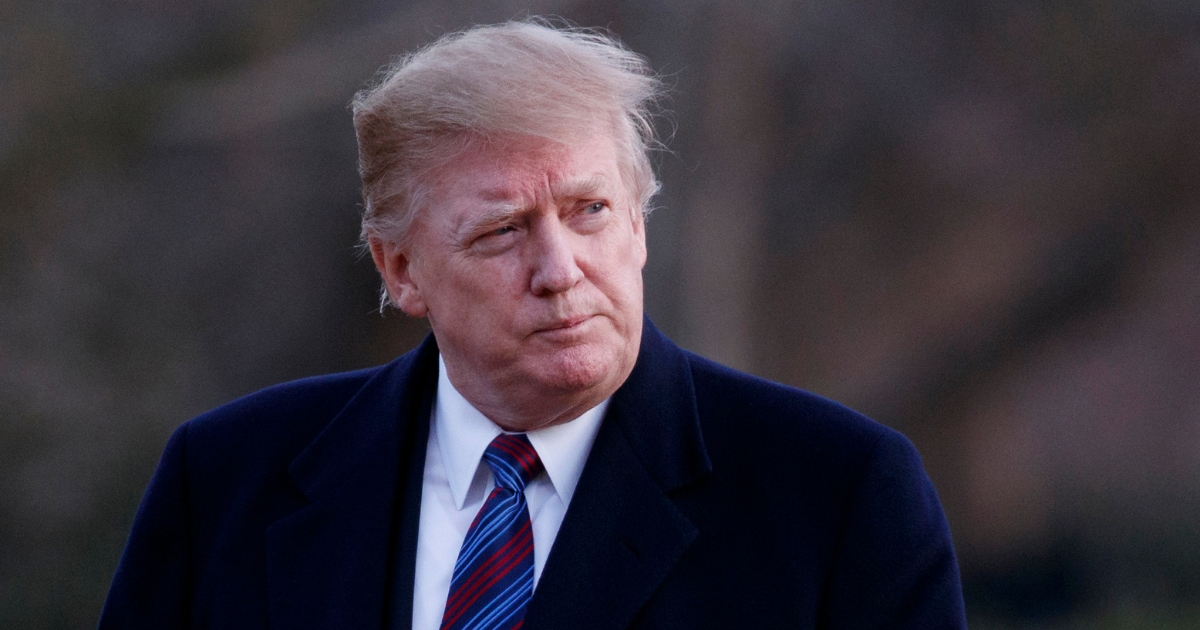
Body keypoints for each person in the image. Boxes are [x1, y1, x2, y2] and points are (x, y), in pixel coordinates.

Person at [100, 20, 967, 629]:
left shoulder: (836, 498)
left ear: (638, 224)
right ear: (400, 270)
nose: (560, 271)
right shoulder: (223, 486)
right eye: (503, 231)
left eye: (589, 210)